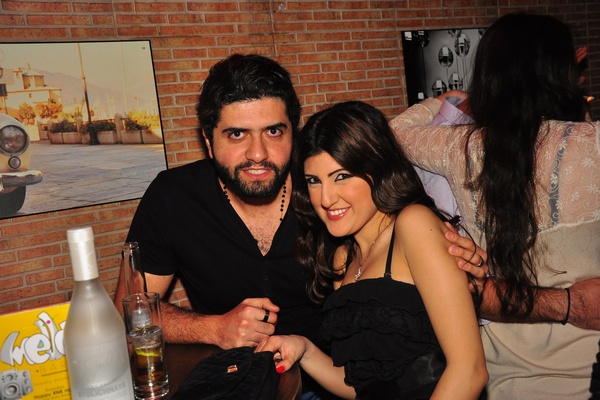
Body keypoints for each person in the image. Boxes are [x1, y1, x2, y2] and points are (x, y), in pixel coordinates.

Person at [112, 54, 488, 398]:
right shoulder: (175, 197)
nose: (258, 153)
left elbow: (444, 333)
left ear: (293, 132)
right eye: (237, 134)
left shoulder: (327, 195)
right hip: (241, 384)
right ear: (209, 142)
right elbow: (127, 313)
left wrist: (469, 269)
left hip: (329, 389)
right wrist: (214, 328)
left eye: (274, 132)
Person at [390, 13, 600, 399]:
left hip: (507, 381)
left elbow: (395, 133)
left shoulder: (462, 148)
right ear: (559, 72)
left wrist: (454, 99)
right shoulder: (592, 144)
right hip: (590, 371)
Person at [257, 100, 488, 399]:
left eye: (341, 176)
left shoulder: (413, 225)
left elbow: (469, 370)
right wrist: (304, 350)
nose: (325, 198)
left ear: (377, 169)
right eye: (314, 181)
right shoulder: (343, 260)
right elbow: (363, 385)